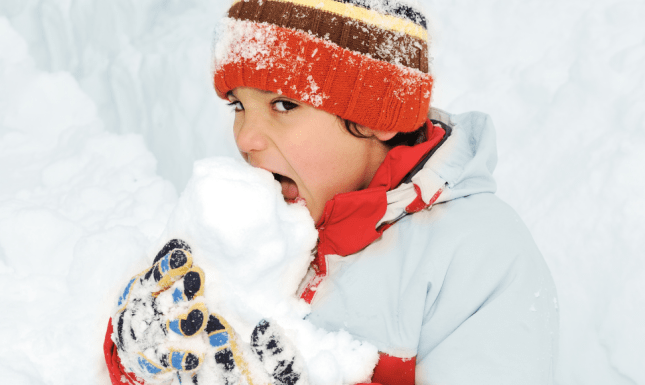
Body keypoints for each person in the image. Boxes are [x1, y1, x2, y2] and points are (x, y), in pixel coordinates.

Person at [104, 0, 559, 384]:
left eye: (283, 104)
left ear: (378, 116)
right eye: (239, 106)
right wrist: (143, 362)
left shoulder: (480, 257)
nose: (245, 137)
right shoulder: (257, 224)